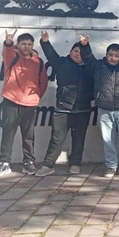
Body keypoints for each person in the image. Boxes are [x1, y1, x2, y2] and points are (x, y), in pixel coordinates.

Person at [35, 32, 94, 177]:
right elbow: (50, 54)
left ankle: (75, 163)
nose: (78, 54)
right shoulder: (62, 63)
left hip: (83, 110)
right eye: (75, 51)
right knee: (57, 139)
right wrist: (45, 42)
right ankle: (48, 165)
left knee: (79, 139)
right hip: (63, 109)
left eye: (81, 52)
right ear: (70, 52)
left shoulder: (91, 67)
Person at [0, 30, 49, 177]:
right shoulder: (12, 57)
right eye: (23, 44)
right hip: (11, 101)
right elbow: (7, 51)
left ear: (33, 45)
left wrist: (36, 97)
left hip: (30, 104)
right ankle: (4, 163)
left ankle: (29, 163)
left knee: (28, 135)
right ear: (18, 45)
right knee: (8, 133)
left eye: (29, 44)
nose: (26, 46)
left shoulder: (38, 62)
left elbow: (43, 82)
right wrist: (8, 42)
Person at [80, 40, 119, 178]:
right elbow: (87, 58)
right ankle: (111, 166)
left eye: (116, 56)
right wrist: (85, 45)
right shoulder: (98, 66)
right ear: (106, 55)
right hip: (104, 109)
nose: (113, 58)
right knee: (107, 140)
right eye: (110, 55)